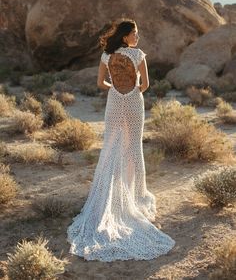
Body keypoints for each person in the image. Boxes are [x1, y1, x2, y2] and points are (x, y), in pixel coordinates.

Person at [67, 18, 175, 261]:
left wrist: (115, 89)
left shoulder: (106, 56)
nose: (138, 36)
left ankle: (108, 194)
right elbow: (145, 85)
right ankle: (136, 195)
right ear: (126, 35)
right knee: (133, 148)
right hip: (134, 103)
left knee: (112, 147)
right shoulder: (138, 55)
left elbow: (99, 83)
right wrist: (133, 90)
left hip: (114, 103)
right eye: (135, 33)